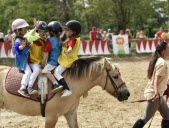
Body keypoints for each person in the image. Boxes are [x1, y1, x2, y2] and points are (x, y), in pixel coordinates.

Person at [132, 41, 169, 128]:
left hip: (158, 94)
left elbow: (160, 79)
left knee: (167, 116)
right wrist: (156, 92)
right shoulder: (162, 63)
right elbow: (156, 79)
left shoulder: (159, 60)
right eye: (168, 48)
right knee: (145, 118)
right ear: (163, 51)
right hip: (155, 94)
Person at [53, 20, 81, 97]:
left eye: (68, 30)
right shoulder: (73, 37)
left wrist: (68, 51)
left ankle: (67, 89)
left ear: (74, 32)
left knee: (56, 72)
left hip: (67, 60)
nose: (66, 31)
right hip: (68, 58)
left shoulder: (73, 40)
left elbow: (70, 47)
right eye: (66, 29)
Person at [24, 18, 48, 95]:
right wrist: (36, 28)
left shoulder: (44, 41)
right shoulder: (35, 40)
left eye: (44, 31)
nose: (43, 33)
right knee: (37, 70)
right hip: (33, 62)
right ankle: (29, 87)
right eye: (41, 31)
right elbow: (29, 37)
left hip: (40, 62)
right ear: (37, 32)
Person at [41, 21, 63, 92]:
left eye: (48, 31)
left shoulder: (49, 41)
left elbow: (46, 54)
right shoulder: (59, 40)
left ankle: (56, 84)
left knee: (45, 71)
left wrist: (43, 63)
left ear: (52, 32)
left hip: (53, 61)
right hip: (60, 61)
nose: (47, 33)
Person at [12, 18, 31, 97]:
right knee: (29, 72)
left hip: (27, 59)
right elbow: (17, 47)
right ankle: (22, 88)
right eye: (24, 28)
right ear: (19, 30)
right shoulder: (18, 39)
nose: (26, 29)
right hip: (22, 60)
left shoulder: (24, 38)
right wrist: (21, 47)